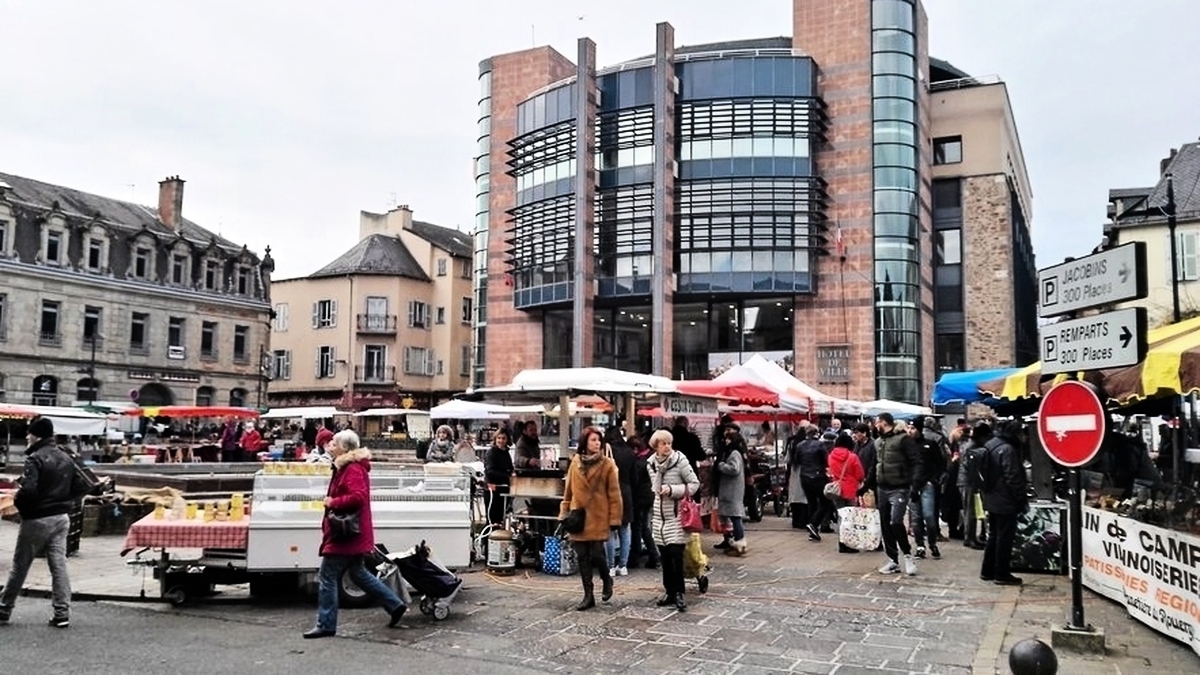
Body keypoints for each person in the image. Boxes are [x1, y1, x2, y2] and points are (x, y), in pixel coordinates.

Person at [304, 430, 407, 638]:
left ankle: (326, 624)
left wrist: (333, 502)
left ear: (343, 448)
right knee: (359, 573)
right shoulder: (348, 466)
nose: (330, 446)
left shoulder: (351, 468)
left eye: (333, 443)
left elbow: (358, 497)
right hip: (353, 532)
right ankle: (395, 604)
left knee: (327, 576)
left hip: (347, 534)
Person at [1, 416, 90, 627]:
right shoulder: (65, 455)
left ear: (36, 435)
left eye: (29, 432)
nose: (26, 436)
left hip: (38, 519)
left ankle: (4, 609)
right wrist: (64, 501)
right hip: (61, 518)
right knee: (58, 565)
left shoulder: (35, 458)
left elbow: (29, 490)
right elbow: (82, 485)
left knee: (20, 565)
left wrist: (20, 504)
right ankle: (62, 613)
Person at [558, 426, 623, 611]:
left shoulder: (607, 464)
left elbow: (614, 494)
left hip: (599, 516)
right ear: (585, 442)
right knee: (582, 557)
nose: (597, 443)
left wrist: (615, 519)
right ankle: (588, 595)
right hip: (578, 516)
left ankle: (606, 579)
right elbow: (568, 490)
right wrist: (564, 512)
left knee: (597, 554)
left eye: (598, 440)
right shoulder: (575, 462)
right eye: (593, 440)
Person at [647, 429, 700, 612]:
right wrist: (660, 474)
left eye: (669, 442)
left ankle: (679, 593)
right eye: (663, 443)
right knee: (665, 557)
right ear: (656, 446)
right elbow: (655, 487)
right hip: (659, 516)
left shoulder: (681, 461)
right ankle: (669, 591)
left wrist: (672, 489)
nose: (667, 446)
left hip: (677, 516)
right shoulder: (651, 463)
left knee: (676, 555)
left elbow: (694, 484)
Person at [979, 420, 1030, 586]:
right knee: (1004, 537)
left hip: (991, 497)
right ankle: (1001, 572)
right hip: (1005, 500)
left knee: (993, 534)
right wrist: (1021, 498)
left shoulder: (991, 444)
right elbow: (1012, 477)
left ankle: (987, 570)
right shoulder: (1007, 449)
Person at [870, 412, 921, 576]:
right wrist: (866, 485)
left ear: (883, 422)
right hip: (882, 487)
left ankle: (907, 554)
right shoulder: (878, 442)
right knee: (885, 523)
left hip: (900, 486)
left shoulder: (903, 439)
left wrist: (914, 485)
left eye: (877, 423)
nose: (875, 426)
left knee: (895, 521)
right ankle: (893, 560)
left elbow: (916, 461)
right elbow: (875, 464)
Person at [910, 417, 949, 560]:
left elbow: (940, 463)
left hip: (927, 484)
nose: (910, 431)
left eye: (913, 428)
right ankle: (920, 546)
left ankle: (932, 543)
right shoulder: (907, 445)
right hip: (912, 485)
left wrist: (934, 480)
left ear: (919, 429)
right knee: (916, 518)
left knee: (929, 516)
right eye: (909, 428)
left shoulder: (930, 444)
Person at [604, 427, 637, 577]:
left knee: (610, 530)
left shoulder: (606, 452)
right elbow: (634, 477)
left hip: (610, 493)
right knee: (625, 530)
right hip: (627, 492)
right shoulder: (629, 452)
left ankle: (610, 566)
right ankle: (623, 565)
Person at [827, 433, 866, 553]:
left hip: (837, 490)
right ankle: (849, 543)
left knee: (841, 516)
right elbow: (860, 474)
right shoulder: (852, 457)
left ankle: (841, 542)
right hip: (850, 490)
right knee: (850, 517)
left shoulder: (831, 456)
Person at [713, 429, 748, 556]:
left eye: (728, 439)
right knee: (731, 517)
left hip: (732, 489)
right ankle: (733, 542)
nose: (725, 441)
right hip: (730, 489)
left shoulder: (734, 453)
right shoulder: (731, 452)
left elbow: (735, 469)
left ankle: (740, 544)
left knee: (735, 517)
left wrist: (721, 465)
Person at [958, 421, 991, 549]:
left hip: (966, 480)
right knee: (970, 510)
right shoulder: (972, 447)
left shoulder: (970, 445)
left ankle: (970, 537)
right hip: (968, 481)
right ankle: (969, 538)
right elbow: (970, 467)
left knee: (971, 509)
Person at [628, 437, 659, 569]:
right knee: (644, 527)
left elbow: (635, 481)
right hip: (649, 496)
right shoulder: (650, 458)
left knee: (638, 527)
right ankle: (653, 555)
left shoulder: (639, 462)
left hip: (640, 497)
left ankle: (641, 556)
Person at [483, 428, 514, 526]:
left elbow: (509, 467)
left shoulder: (506, 453)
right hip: (492, 490)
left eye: (503, 438)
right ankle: (486, 540)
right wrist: (508, 477)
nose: (501, 441)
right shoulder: (491, 453)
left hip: (503, 489)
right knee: (492, 520)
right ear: (495, 439)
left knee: (500, 518)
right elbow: (490, 471)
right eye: (499, 438)